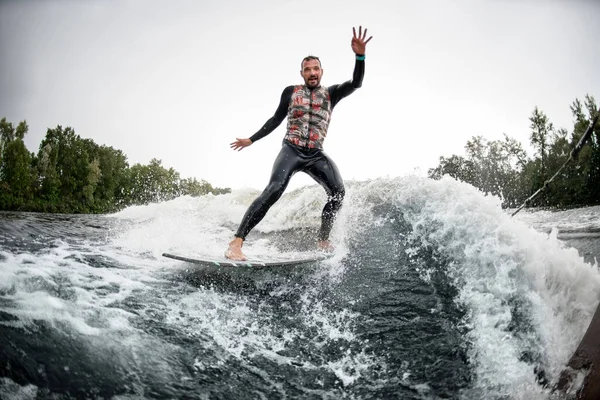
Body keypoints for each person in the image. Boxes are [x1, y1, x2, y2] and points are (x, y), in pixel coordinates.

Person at [225, 26, 373, 261]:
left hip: (315, 154)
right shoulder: (291, 92)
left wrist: (360, 56)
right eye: (307, 70)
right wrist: (251, 139)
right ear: (302, 73)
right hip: (291, 150)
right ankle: (237, 242)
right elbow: (275, 119)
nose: (312, 72)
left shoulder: (332, 93)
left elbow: (356, 83)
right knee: (274, 189)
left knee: (338, 193)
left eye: (315, 69)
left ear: (321, 71)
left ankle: (323, 239)